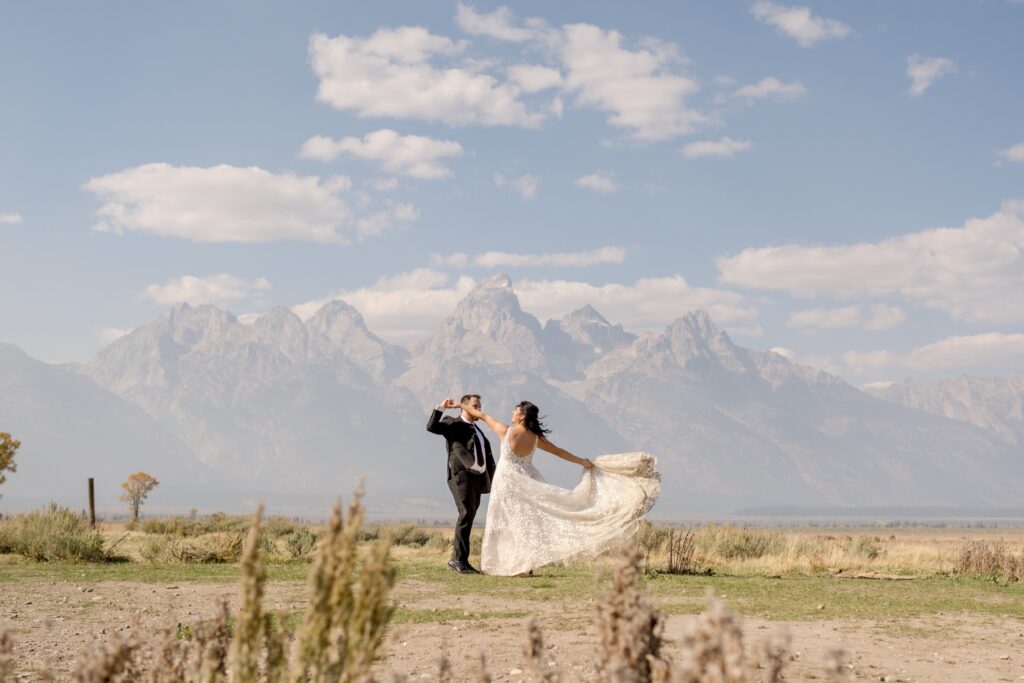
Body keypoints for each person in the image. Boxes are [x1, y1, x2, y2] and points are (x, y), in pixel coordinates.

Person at [462, 401, 660, 576]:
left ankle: (509, 563)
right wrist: (582, 461)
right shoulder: (535, 438)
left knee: (507, 521)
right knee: (525, 522)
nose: (512, 413)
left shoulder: (507, 432)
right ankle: (522, 564)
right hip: (527, 480)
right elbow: (558, 451)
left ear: (521, 416)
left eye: (515, 411)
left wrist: (459, 406)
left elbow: (482, 415)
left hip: (507, 481)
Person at [426, 394, 495, 574]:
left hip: (477, 480)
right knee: (465, 514)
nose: (478, 409)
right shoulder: (453, 423)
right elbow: (431, 427)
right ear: (464, 407)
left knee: (469, 516)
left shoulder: (477, 430)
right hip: (461, 477)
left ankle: (462, 560)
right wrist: (440, 407)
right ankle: (457, 560)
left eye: (479, 406)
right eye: (475, 406)